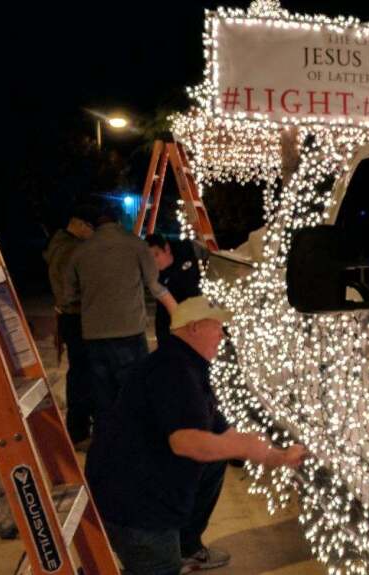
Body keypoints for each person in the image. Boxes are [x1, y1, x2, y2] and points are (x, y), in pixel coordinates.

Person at [86, 296, 307, 574]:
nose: (222, 335)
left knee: (215, 462)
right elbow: (186, 443)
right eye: (216, 326)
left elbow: (221, 430)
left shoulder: (186, 365)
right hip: (134, 507)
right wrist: (246, 448)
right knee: (160, 568)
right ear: (193, 328)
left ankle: (186, 545)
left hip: (135, 489)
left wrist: (276, 456)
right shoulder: (174, 371)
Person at [62, 202, 178, 428]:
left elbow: (68, 296)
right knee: (135, 394)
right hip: (130, 333)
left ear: (94, 224)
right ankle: (134, 446)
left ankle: (107, 445)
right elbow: (154, 285)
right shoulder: (135, 246)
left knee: (103, 399)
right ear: (118, 221)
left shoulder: (81, 251)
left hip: (94, 335)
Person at [44, 204, 98, 445]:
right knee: (82, 375)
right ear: (77, 223)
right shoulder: (70, 249)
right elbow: (69, 291)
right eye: (89, 227)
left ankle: (81, 428)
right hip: (76, 318)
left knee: (82, 373)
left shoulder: (61, 245)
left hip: (72, 317)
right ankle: (78, 431)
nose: (92, 233)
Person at [146, 234, 202, 346]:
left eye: (156, 255)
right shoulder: (154, 276)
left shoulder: (187, 251)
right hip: (172, 311)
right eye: (149, 258)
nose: (154, 261)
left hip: (198, 305)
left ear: (166, 249)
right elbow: (164, 312)